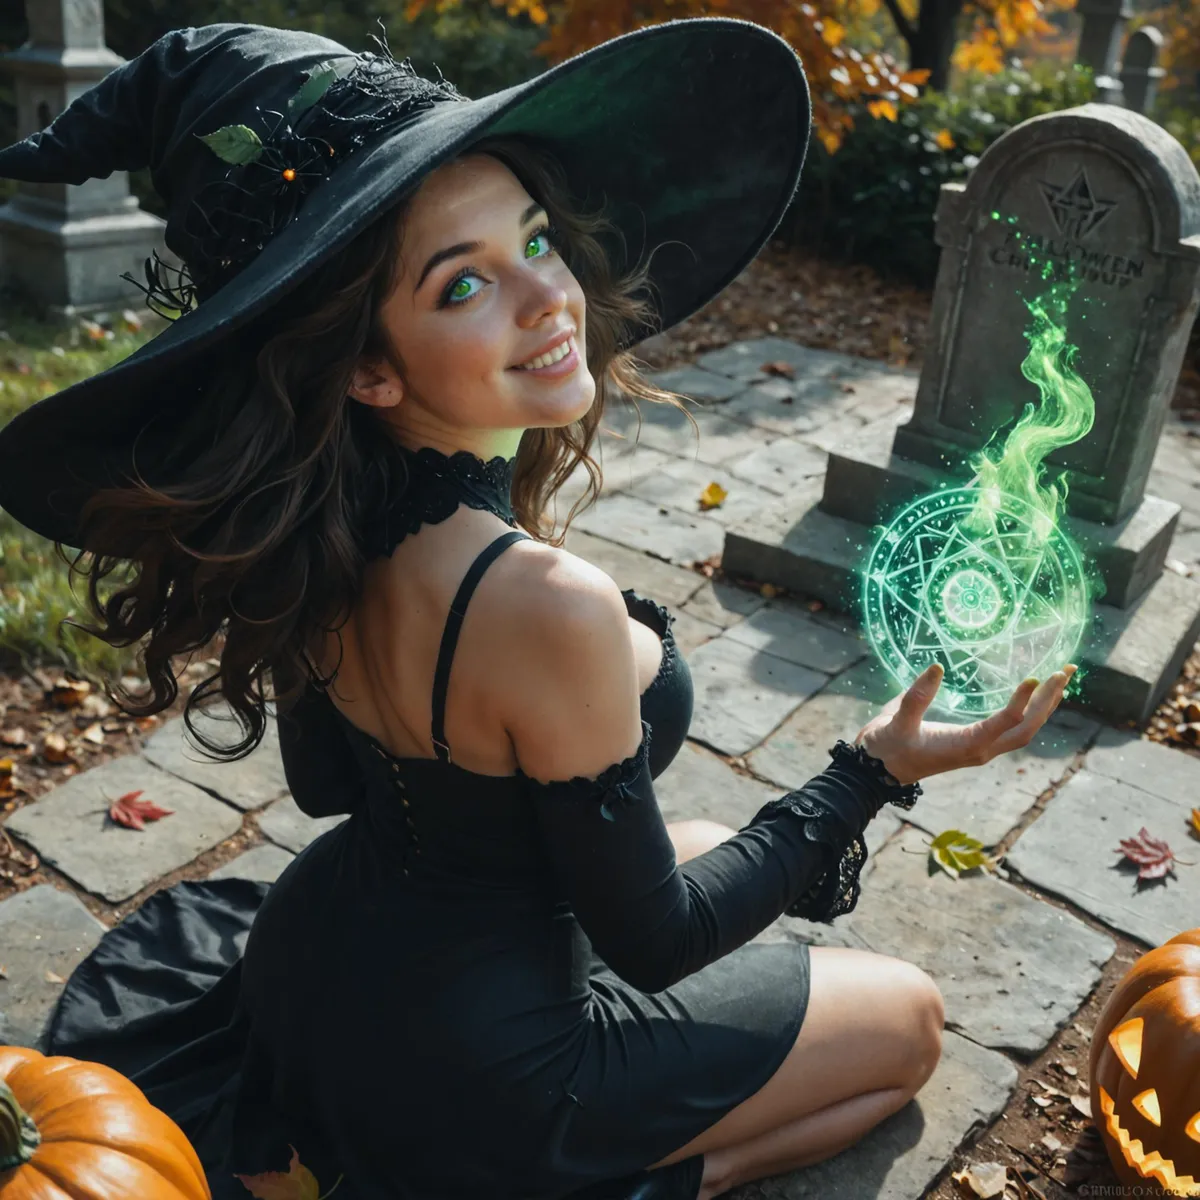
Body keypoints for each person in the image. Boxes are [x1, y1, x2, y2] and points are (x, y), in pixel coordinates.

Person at [0, 20, 1075, 1200]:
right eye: (462, 283)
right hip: (491, 1070)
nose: (548, 296)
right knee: (910, 1030)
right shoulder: (538, 604)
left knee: (716, 857)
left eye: (536, 240)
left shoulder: (315, 530)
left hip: (318, 975)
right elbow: (653, 941)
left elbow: (327, 790)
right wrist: (871, 766)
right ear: (368, 368)